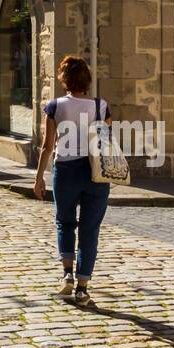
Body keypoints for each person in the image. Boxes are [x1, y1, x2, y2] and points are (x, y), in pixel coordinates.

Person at [33, 54, 114, 308]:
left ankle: (67, 273)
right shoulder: (101, 106)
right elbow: (105, 142)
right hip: (94, 174)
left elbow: (47, 146)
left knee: (65, 223)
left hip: (65, 171)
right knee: (90, 230)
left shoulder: (55, 106)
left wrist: (38, 179)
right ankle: (82, 288)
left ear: (64, 79)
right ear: (87, 80)